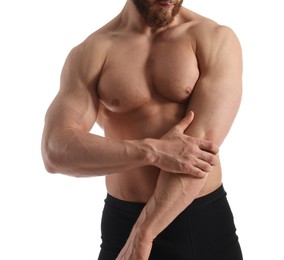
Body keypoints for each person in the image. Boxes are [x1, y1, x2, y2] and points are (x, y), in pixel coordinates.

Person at [41, 0, 243, 259]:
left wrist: (144, 233)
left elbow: (196, 154)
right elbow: (55, 151)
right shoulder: (91, 52)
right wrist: (152, 151)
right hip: (122, 221)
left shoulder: (213, 38)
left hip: (200, 224)